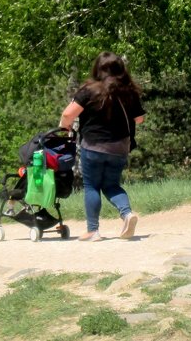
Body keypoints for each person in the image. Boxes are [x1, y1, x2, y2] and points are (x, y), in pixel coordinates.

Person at [60, 52, 145, 241]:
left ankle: (93, 230)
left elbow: (68, 115)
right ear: (121, 69)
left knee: (91, 186)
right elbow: (139, 119)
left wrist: (64, 128)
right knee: (112, 185)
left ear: (97, 68)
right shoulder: (128, 91)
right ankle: (127, 214)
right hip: (120, 147)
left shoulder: (89, 90)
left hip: (94, 146)